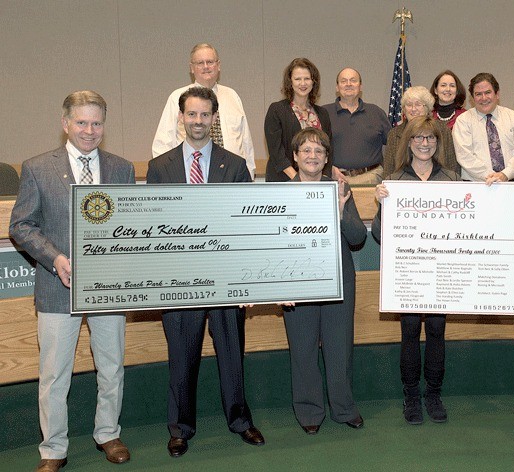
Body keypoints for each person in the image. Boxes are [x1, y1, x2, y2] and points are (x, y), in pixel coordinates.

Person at [10, 91, 135, 472]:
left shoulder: (121, 168)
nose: (89, 130)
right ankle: (53, 449)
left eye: (97, 123)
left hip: (108, 288)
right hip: (56, 286)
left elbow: (131, 226)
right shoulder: (37, 168)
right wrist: (55, 259)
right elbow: (21, 226)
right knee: (53, 374)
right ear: (65, 123)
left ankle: (108, 433)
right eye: (81, 122)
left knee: (112, 366)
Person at [147, 87, 264, 457]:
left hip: (227, 280)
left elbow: (247, 228)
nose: (198, 121)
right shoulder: (160, 166)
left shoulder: (235, 164)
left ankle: (240, 421)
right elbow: (153, 226)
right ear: (180, 117)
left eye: (204, 115)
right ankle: (180, 428)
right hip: (180, 283)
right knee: (182, 356)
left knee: (232, 353)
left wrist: (246, 280)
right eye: (191, 114)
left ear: (214, 118)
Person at [372, 116, 460, 425]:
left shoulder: (451, 179)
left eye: (431, 139)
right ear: (408, 143)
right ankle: (411, 396)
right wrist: (382, 205)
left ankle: (433, 394)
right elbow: (380, 235)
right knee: (409, 332)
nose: (424, 144)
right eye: (418, 139)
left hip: (441, 272)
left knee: (437, 331)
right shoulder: (394, 180)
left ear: (438, 143)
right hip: (408, 273)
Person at [282, 127, 366, 434]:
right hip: (297, 284)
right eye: (305, 150)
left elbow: (358, 239)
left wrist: (342, 211)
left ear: (326, 157)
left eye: (318, 151)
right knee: (302, 349)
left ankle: (344, 409)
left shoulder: (340, 188)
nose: (312, 156)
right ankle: (309, 411)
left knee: (339, 348)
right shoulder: (281, 193)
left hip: (338, 281)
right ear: (295, 156)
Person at [152, 43, 255, 179]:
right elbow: (162, 145)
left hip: (230, 177)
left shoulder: (232, 96)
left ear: (218, 65)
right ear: (192, 68)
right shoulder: (177, 97)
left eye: (210, 62)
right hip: (190, 176)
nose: (206, 67)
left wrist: (249, 173)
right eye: (200, 63)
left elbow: (246, 141)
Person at [453, 73, 514, 184]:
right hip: (476, 185)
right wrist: (491, 176)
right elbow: (465, 156)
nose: (484, 98)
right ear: (472, 98)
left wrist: (505, 174)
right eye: (478, 94)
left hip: (511, 183)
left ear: (497, 94)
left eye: (488, 92)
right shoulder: (463, 121)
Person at [264, 58, 332, 182]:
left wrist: (324, 180)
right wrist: (297, 179)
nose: (303, 83)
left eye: (307, 78)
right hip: (284, 179)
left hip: (316, 183)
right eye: (297, 79)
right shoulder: (276, 110)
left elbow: (329, 150)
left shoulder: (323, 113)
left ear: (313, 82)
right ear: (290, 82)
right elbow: (276, 152)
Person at [322, 67, 391, 185]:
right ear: (337, 87)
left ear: (360, 86)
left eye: (353, 80)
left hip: (372, 178)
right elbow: (314, 147)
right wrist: (328, 169)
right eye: (343, 81)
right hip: (335, 179)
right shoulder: (324, 113)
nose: (348, 84)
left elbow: (393, 144)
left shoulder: (376, 112)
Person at [382, 86, 459, 179]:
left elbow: (451, 165)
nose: (413, 109)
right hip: (403, 187)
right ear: (404, 109)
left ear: (428, 108)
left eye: (418, 104)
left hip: (438, 184)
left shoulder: (442, 130)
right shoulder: (394, 134)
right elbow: (389, 170)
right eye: (409, 105)